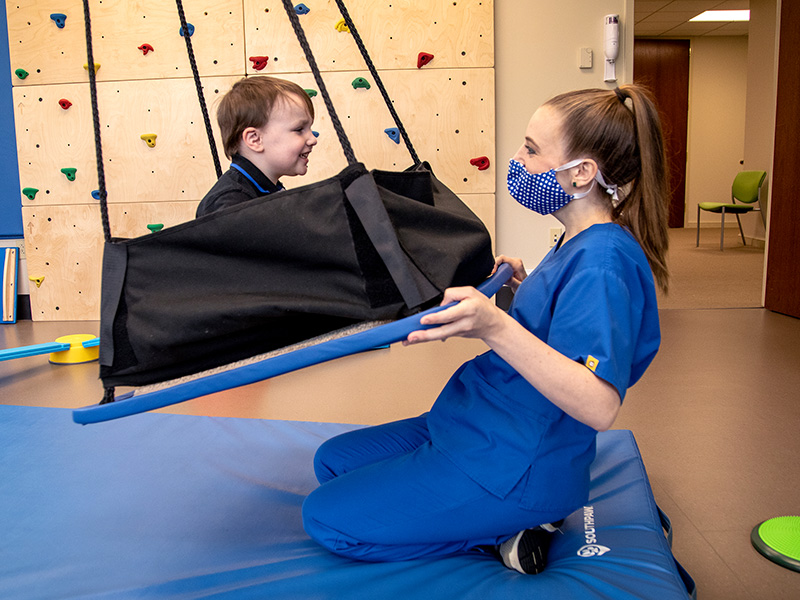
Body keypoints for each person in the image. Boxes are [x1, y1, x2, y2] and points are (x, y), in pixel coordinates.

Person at [301, 84, 669, 575]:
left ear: (581, 173)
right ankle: (493, 514)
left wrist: (494, 325)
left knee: (327, 520)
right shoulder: (575, 239)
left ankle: (508, 530)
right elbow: (556, 333)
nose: (517, 159)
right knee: (332, 462)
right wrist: (518, 292)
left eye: (532, 150)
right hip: (478, 423)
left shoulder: (603, 260)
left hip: (515, 463)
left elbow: (599, 404)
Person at [195, 76, 317, 217]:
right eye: (299, 129)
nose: (313, 139)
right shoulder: (230, 204)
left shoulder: (266, 189)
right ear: (255, 139)